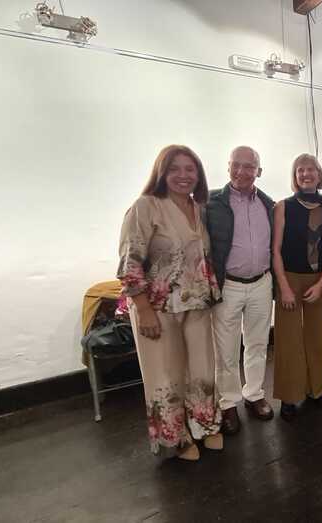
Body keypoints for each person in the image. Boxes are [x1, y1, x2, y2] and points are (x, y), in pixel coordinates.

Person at [117, 144, 223, 460]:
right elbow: (130, 261)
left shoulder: (198, 207)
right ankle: (177, 437)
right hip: (158, 307)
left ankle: (204, 424)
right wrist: (143, 309)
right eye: (175, 169)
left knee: (202, 369)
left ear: (199, 174)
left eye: (190, 169)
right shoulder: (146, 207)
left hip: (197, 304)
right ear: (161, 173)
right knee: (166, 374)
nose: (183, 175)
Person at [205, 146, 276, 436]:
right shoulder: (211, 203)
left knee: (258, 344)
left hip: (261, 283)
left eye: (249, 166)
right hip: (228, 285)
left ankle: (254, 394)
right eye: (236, 165)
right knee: (226, 350)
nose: (241, 171)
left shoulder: (269, 205)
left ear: (259, 171)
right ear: (228, 166)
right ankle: (228, 402)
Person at [272, 153, 322, 421]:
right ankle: (289, 395)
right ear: (295, 176)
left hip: (318, 280)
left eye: (311, 169)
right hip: (288, 278)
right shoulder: (283, 207)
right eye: (300, 170)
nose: (306, 174)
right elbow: (275, 250)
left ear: (319, 174)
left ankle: (316, 389)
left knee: (316, 336)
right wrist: (284, 288)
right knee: (288, 339)